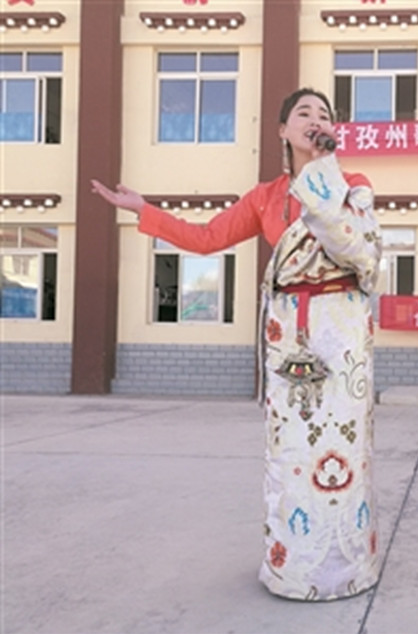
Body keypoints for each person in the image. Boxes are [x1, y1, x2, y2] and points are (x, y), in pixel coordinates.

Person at [91, 88, 383, 601]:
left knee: (341, 445)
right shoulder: (265, 197)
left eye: (324, 115)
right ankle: (294, 567)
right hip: (288, 333)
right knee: (292, 451)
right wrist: (145, 210)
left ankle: (344, 568)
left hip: (340, 332)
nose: (316, 120)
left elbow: (361, 249)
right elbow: (207, 239)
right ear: (283, 130)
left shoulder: (352, 185)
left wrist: (325, 177)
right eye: (304, 113)